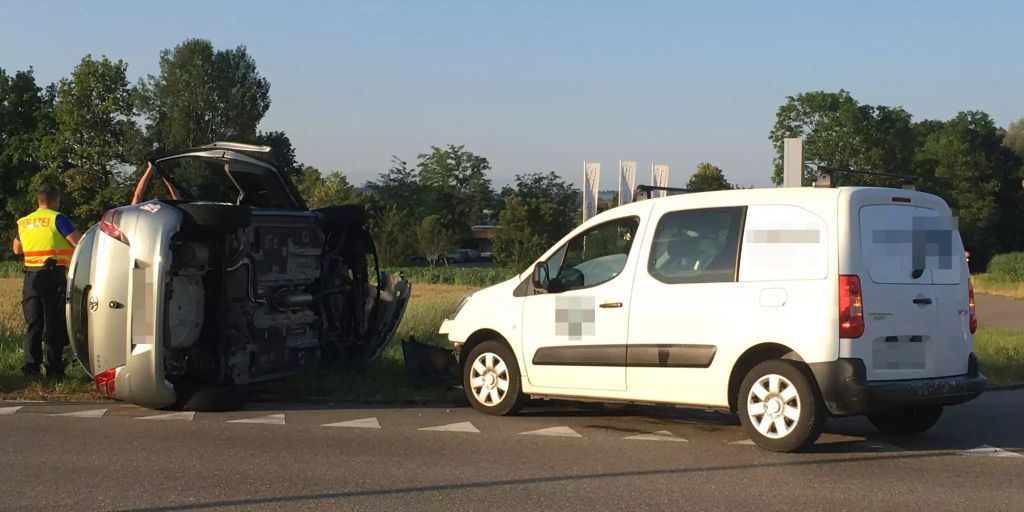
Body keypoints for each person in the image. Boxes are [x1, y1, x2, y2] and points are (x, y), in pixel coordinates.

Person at [12, 184, 81, 380]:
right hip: (54, 276)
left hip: (31, 278)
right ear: (55, 200)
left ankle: (31, 368)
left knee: (33, 323)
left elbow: (16, 249)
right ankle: (54, 370)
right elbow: (79, 241)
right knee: (53, 323)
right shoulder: (57, 218)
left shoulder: (24, 222)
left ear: (38, 200)